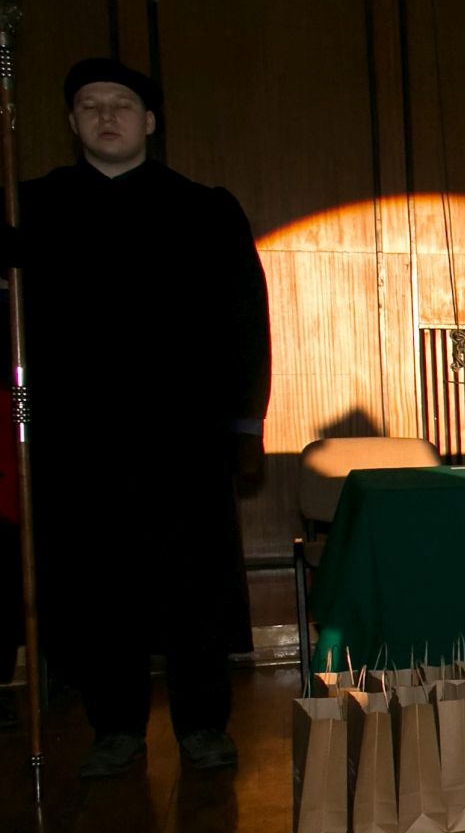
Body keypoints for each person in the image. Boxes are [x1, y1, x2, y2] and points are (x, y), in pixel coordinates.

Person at [2, 58, 269, 777]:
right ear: (72, 122)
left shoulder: (205, 210)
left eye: (120, 104)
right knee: (97, 589)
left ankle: (203, 726)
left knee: (192, 588)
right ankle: (114, 728)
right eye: (90, 105)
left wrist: (245, 426)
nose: (106, 116)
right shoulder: (31, 209)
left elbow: (246, 323)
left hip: (184, 439)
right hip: (75, 441)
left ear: (148, 121)